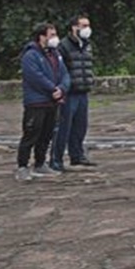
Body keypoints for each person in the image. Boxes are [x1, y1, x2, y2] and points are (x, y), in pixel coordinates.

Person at [16, 22, 70, 181]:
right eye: (51, 35)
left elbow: (65, 74)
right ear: (42, 36)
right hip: (36, 103)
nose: (55, 38)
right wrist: (52, 90)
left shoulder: (55, 54)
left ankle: (40, 163)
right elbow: (35, 77)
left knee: (46, 135)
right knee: (31, 134)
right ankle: (22, 166)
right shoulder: (30, 55)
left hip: (52, 103)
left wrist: (62, 88)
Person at [52, 14, 96, 170]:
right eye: (83, 25)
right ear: (74, 27)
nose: (87, 29)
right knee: (64, 127)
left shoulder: (87, 44)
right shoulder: (64, 46)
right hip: (69, 91)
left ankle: (77, 155)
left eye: (88, 25)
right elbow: (58, 69)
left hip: (82, 89)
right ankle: (56, 160)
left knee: (80, 126)